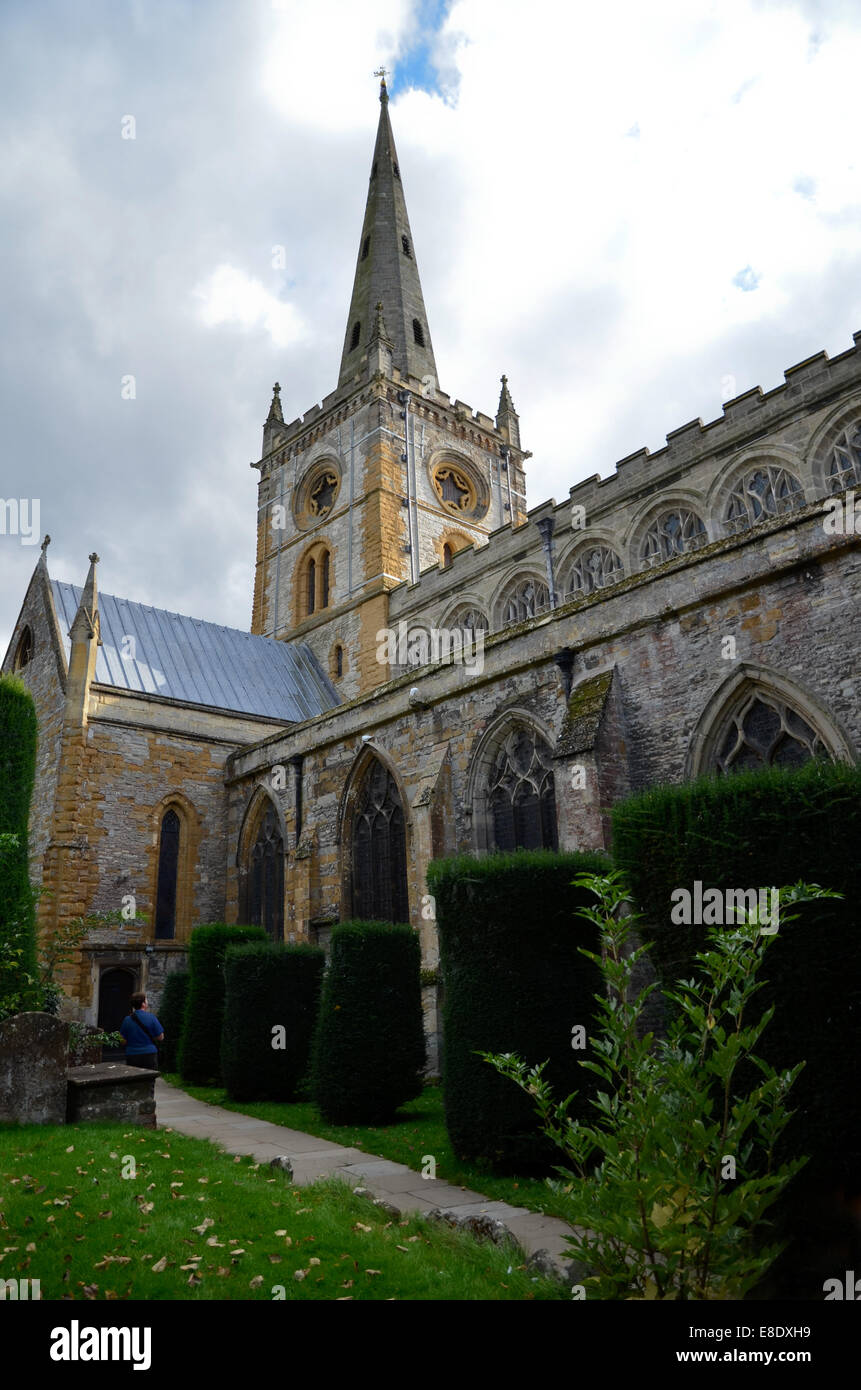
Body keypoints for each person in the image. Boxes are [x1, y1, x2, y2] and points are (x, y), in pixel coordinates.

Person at [120, 992, 164, 1070]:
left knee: (134, 1078)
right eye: (146, 1000)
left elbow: (122, 1040)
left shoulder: (127, 1020)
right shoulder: (151, 1017)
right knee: (149, 1078)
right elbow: (161, 1037)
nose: (147, 1002)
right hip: (149, 1053)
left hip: (132, 1054)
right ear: (143, 1004)